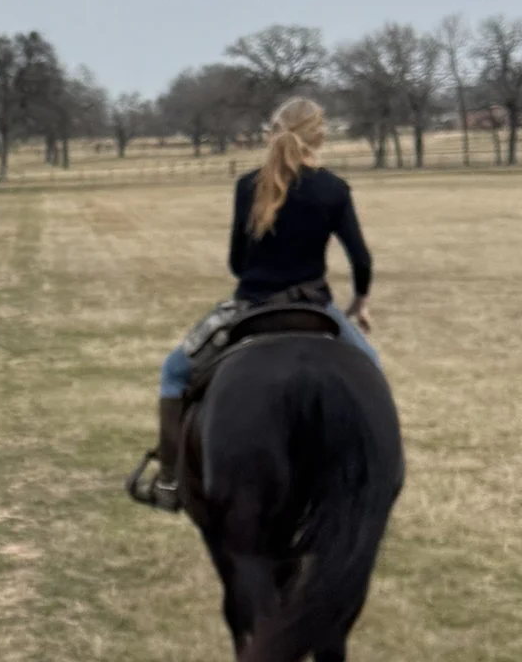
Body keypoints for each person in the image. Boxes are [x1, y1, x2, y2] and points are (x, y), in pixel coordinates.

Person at [130, 97, 378, 512]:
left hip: (252, 306)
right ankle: (370, 477)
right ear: (320, 136)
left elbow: (236, 262)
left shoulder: (249, 185)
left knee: (174, 373)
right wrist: (361, 302)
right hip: (313, 305)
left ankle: (170, 483)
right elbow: (362, 259)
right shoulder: (334, 189)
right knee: (370, 370)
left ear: (273, 132)